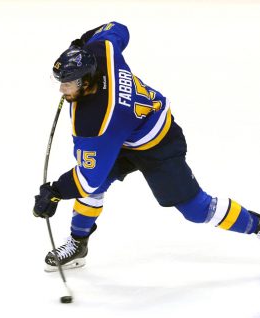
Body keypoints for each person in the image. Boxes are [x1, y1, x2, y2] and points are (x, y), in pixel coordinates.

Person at [33, 22, 260, 272]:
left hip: (158, 143)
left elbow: (87, 179)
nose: (62, 89)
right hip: (126, 131)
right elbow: (118, 28)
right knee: (94, 185)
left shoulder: (95, 121)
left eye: (69, 83)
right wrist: (83, 44)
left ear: (87, 81)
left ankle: (257, 225)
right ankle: (78, 243)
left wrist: (56, 191)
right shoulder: (103, 51)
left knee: (196, 209)